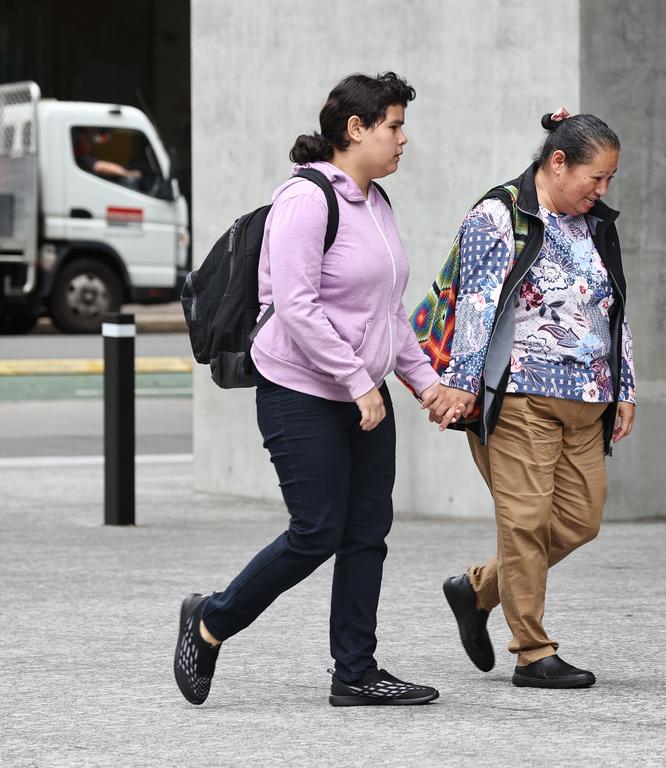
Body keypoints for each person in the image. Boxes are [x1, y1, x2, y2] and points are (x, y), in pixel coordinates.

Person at [174, 72, 444, 707]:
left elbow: (390, 313)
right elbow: (296, 307)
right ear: (356, 130)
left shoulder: (377, 204)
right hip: (301, 391)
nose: (404, 140)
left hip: (363, 393)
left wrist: (426, 384)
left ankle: (355, 672)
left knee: (367, 532)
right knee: (317, 529)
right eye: (394, 126)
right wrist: (357, 382)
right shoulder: (305, 201)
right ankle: (211, 621)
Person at [429, 110, 637, 688]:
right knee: (524, 522)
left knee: (579, 519)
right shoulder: (499, 217)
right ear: (557, 161)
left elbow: (614, 305)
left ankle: (477, 590)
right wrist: (462, 384)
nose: (601, 192)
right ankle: (533, 652)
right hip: (522, 394)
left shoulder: (594, 224)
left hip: (589, 397)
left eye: (609, 182)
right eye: (594, 179)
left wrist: (626, 384)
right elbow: (475, 305)